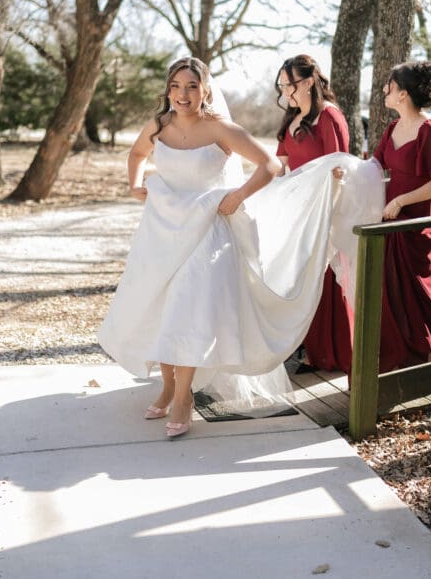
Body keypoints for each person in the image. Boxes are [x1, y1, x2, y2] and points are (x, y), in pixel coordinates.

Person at [98, 57, 384, 439]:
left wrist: (236, 196)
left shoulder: (221, 128)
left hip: (207, 233)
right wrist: (135, 185)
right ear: (168, 90)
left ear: (205, 90)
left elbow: (268, 165)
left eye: (192, 86)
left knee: (186, 309)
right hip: (162, 230)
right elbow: (136, 154)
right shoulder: (159, 125)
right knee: (160, 307)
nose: (183, 94)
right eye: (176, 86)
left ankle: (183, 397)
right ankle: (167, 386)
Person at [370, 61, 431, 371]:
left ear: (403, 94)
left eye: (390, 86)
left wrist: (401, 201)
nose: (385, 89)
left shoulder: (430, 130)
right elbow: (374, 165)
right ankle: (403, 352)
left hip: (418, 219)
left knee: (417, 287)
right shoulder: (393, 128)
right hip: (392, 217)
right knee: (393, 287)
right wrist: (342, 173)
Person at [274, 55, 355, 375]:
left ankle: (327, 351)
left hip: (324, 210)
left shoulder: (329, 116)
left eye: (289, 84)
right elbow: (279, 166)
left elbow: (339, 167)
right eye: (281, 85)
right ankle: (302, 344)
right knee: (297, 278)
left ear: (308, 82)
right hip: (295, 212)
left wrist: (327, 212)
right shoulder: (291, 117)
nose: (285, 91)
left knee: (325, 279)